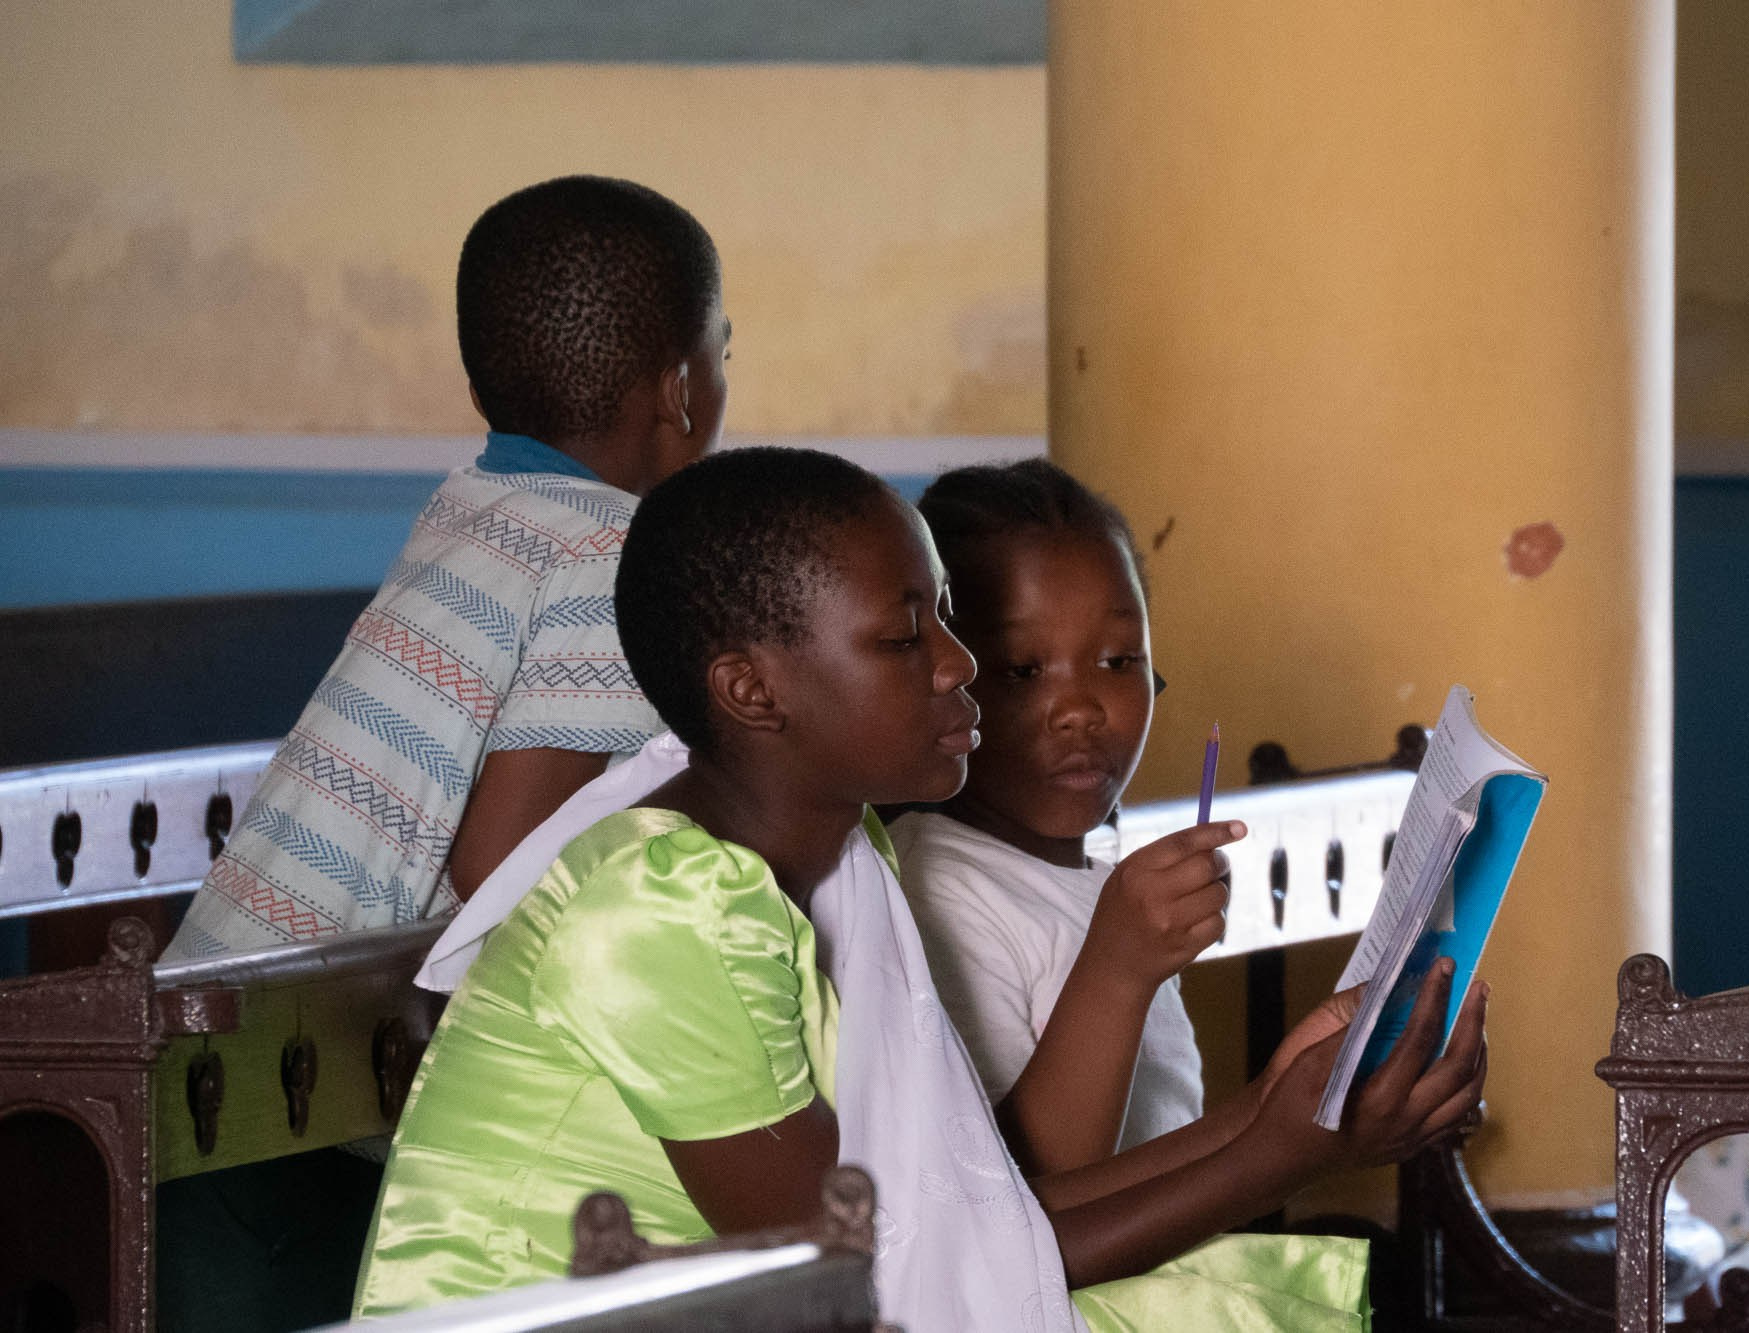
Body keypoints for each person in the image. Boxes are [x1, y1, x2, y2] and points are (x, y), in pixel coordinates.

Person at [352, 447, 1488, 1331]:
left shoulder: (840, 859)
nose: (957, 665)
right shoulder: (654, 907)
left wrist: (1284, 1108)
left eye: (943, 618)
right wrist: (1276, 1153)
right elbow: (874, 1277)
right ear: (753, 690)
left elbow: (965, 1223)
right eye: (907, 638)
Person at [161, 176, 730, 962]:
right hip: (302, 1031)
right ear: (682, 393)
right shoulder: (619, 552)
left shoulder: (472, 505)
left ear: (479, 389)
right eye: (721, 352)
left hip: (222, 975)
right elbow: (507, 872)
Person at [888, 458, 1210, 1175]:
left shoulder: (1106, 889)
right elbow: (1012, 1196)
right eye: (1024, 670)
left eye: (1119, 659)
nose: (1081, 709)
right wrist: (1119, 965)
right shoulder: (935, 889)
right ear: (939, 676)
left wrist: (1317, 1102)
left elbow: (1163, 1148)